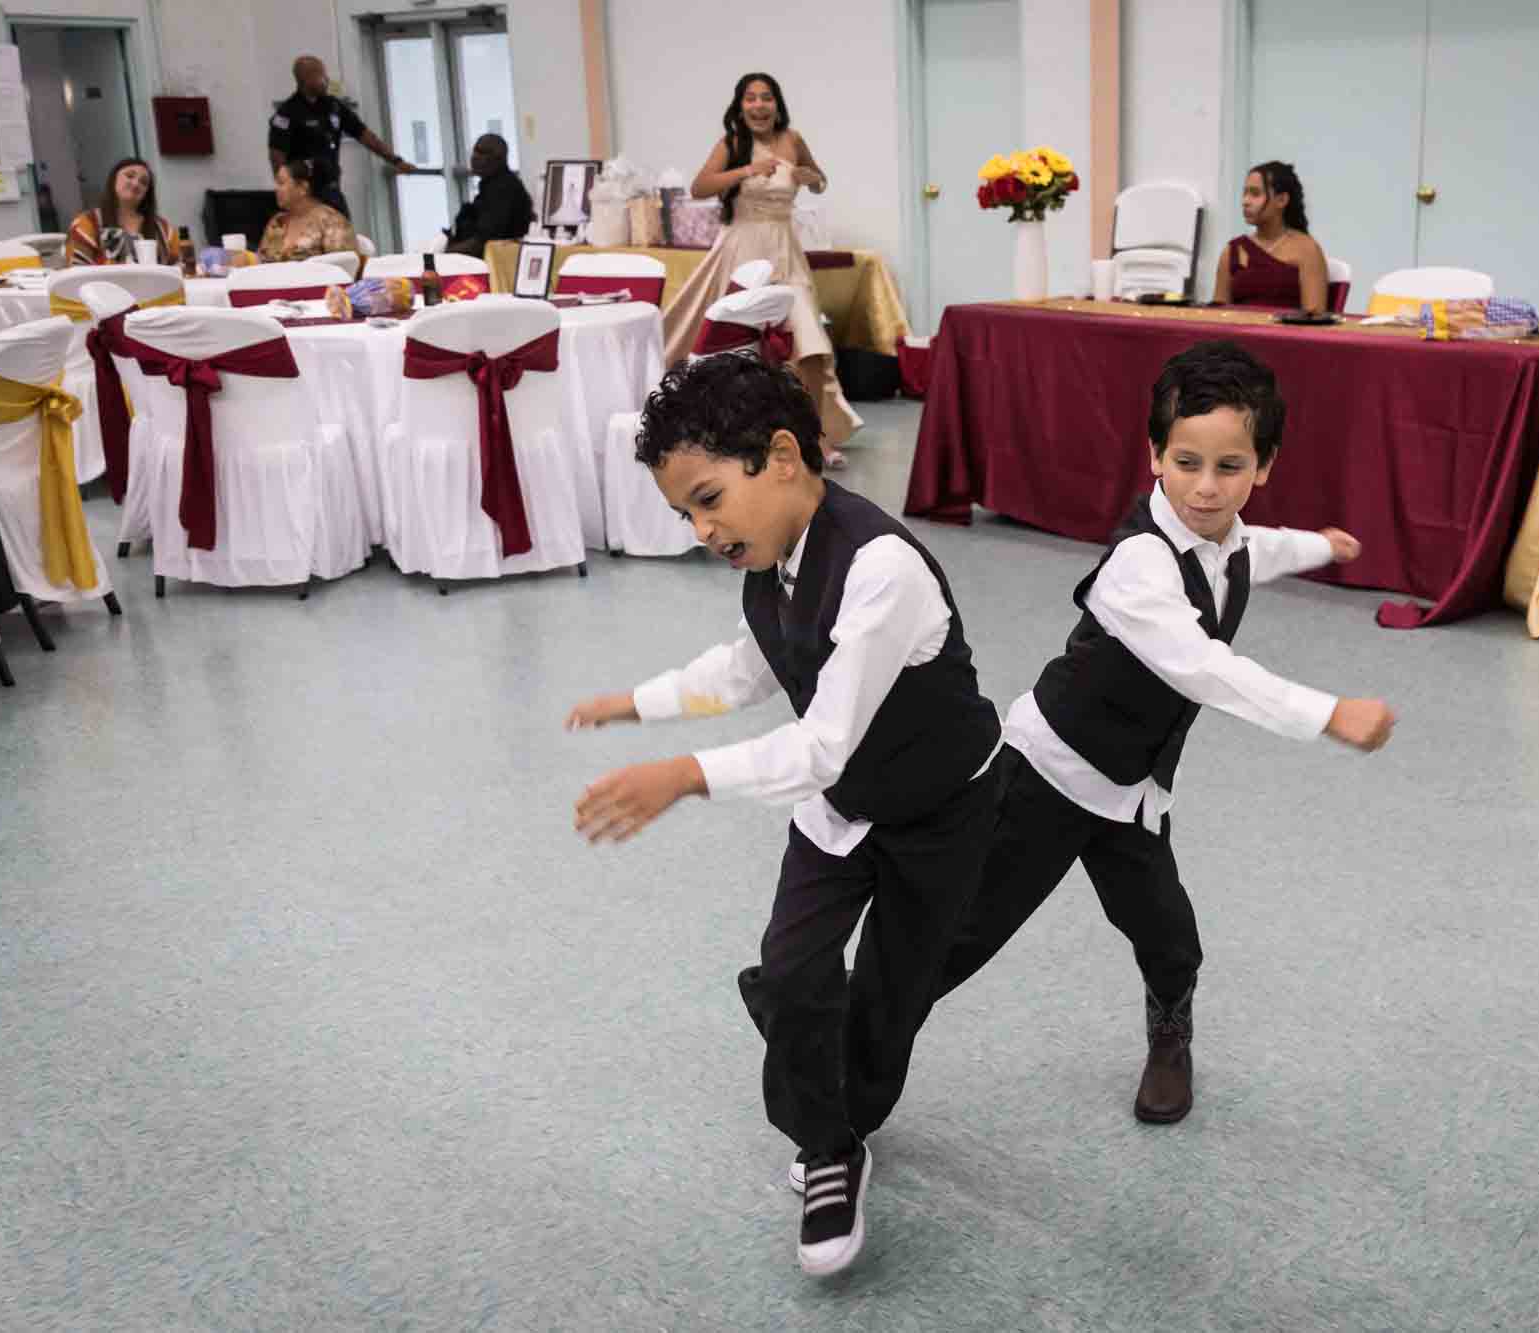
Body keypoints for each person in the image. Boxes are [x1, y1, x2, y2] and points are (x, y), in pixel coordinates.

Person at [565, 353, 1002, 1278]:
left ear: (783, 456)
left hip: (940, 809)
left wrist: (683, 774)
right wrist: (635, 701)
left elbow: (821, 743)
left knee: (890, 1007)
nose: (700, 529)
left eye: (710, 498)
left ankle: (841, 1073)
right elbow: (746, 668)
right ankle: (828, 1146)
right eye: (685, 512)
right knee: (798, 966)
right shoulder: (769, 561)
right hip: (841, 812)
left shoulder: (882, 568)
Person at [934, 339, 1395, 1126]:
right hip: (1047, 774)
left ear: (1264, 466)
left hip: (1132, 793)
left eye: (1229, 467)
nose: (1206, 489)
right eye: (1186, 463)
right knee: (961, 932)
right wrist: (1328, 712)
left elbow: (1261, 548)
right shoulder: (1137, 568)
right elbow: (1201, 667)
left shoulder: (1233, 537)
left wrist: (1323, 544)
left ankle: (1169, 1037)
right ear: (1154, 454)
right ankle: (834, 1024)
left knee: (1170, 936)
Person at [661, 71, 861, 468]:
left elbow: (819, 181)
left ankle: (813, 439)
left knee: (812, 349)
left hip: (787, 251)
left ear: (777, 103)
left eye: (765, 97)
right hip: (744, 250)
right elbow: (700, 187)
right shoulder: (733, 144)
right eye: (750, 98)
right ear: (740, 106)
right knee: (743, 349)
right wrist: (748, 170)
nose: (758, 105)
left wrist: (812, 179)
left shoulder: (793, 139)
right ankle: (742, 434)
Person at [267, 55, 414, 219]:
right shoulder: (287, 113)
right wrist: (286, 192)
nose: (326, 79)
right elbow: (276, 157)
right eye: (321, 75)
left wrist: (395, 160)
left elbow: (364, 135)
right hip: (304, 195)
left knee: (343, 239)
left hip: (331, 190)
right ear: (306, 79)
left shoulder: (333, 106)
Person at [1214, 161, 1330, 312]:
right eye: (1245, 193)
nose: (1245, 201)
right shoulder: (1232, 251)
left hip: (1287, 335)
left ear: (1281, 200)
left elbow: (1314, 316)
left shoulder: (1307, 250)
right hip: (1238, 335)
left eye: (1255, 194)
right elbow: (1217, 314)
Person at [64, 158, 181, 267]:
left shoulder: (163, 229)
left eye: (144, 182)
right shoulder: (87, 223)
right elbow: (76, 272)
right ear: (113, 179)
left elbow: (179, 270)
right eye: (130, 176)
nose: (136, 184)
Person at [444, 134, 534, 256]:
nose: (474, 157)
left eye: (482, 153)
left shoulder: (504, 188)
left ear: (498, 159)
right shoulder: (489, 185)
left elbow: (485, 240)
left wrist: (446, 254)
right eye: (475, 151)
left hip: (496, 260)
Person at [257, 159, 358, 262]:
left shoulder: (332, 222)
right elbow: (261, 261)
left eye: (281, 183)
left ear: (303, 188)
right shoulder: (277, 222)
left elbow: (344, 266)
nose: (276, 189)